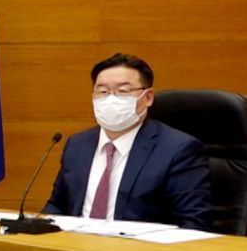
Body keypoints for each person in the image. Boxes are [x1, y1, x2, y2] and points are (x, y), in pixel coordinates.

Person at [42, 53, 212, 230]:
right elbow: (57, 207)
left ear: (148, 97)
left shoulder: (178, 149)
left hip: (139, 246)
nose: (111, 99)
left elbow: (193, 223)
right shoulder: (77, 144)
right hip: (76, 244)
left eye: (123, 91)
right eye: (103, 92)